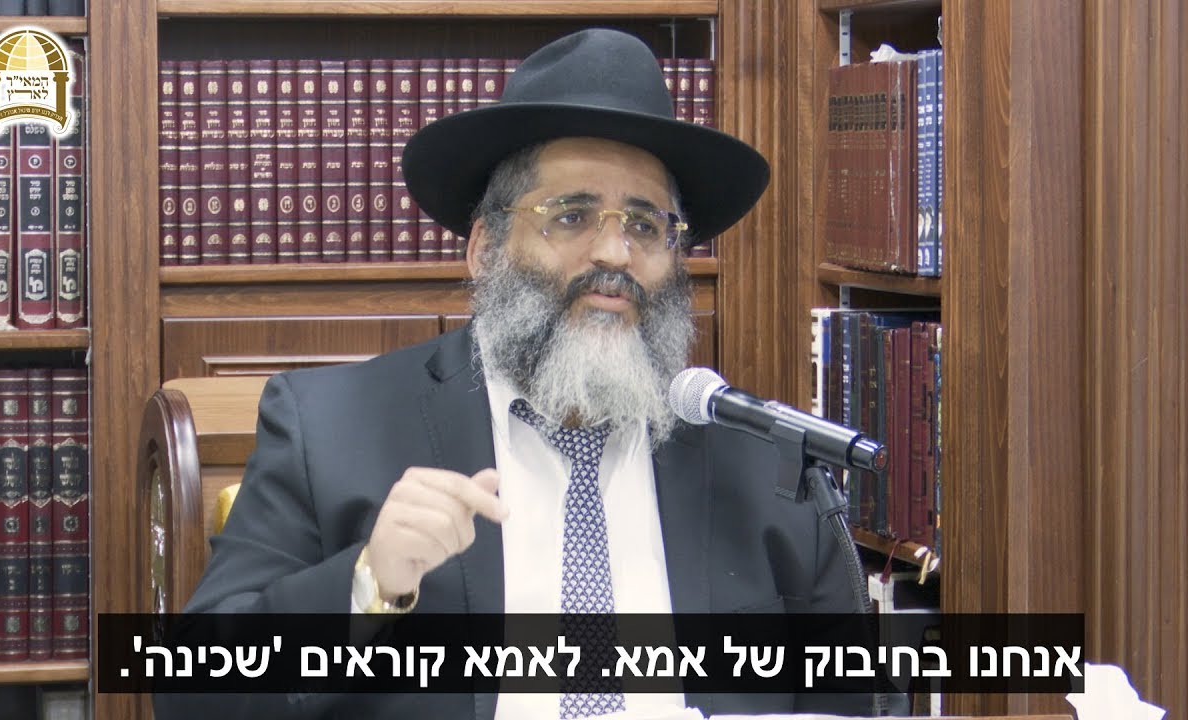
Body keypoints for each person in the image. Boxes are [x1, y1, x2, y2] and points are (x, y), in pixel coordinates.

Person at [155, 28, 877, 719]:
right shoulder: (331, 429)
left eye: (645, 225)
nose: (615, 255)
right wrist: (368, 583)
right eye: (572, 216)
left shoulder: (765, 468)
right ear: (485, 249)